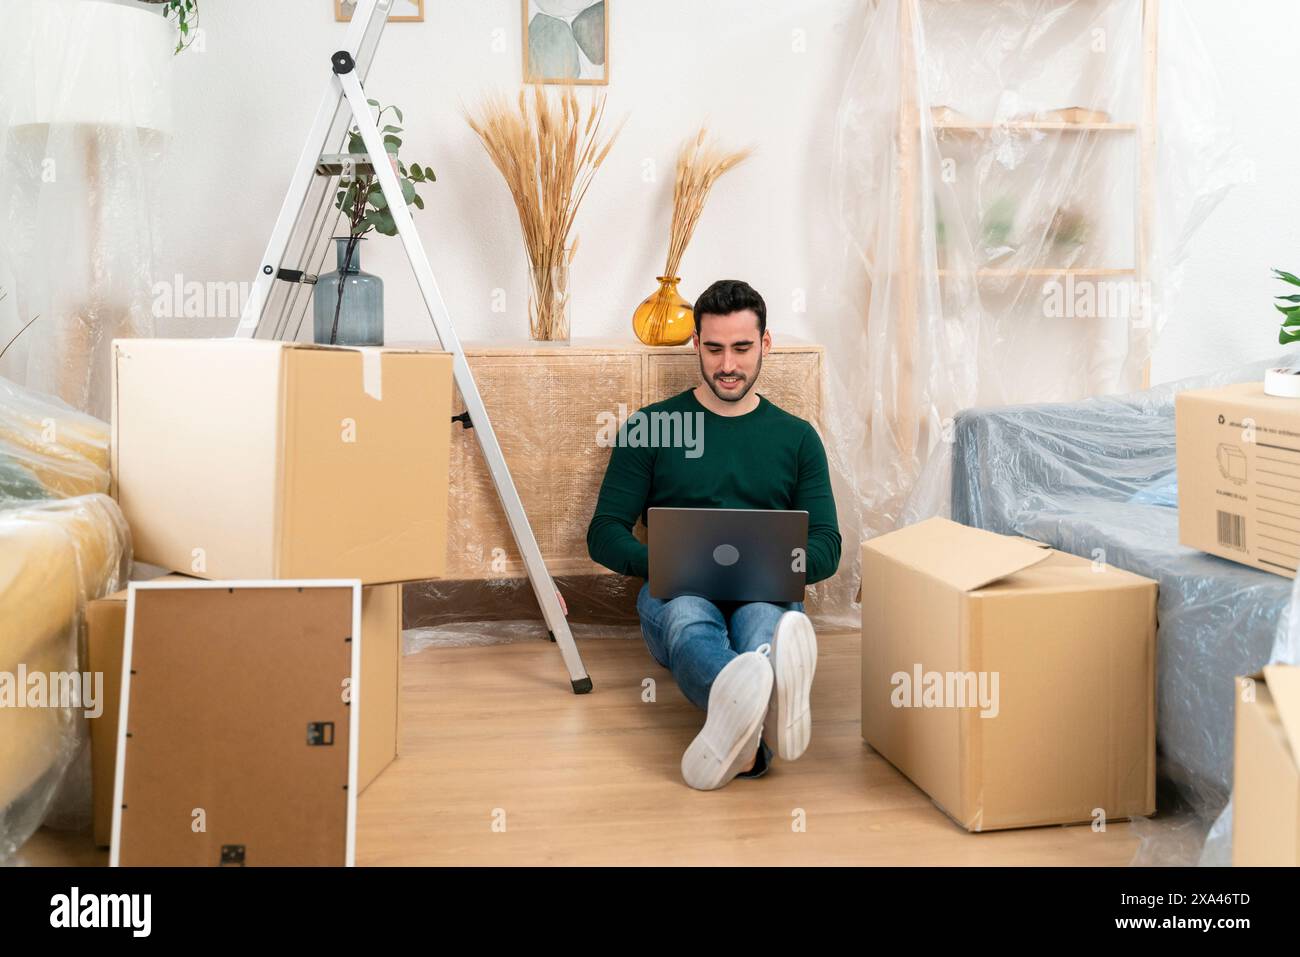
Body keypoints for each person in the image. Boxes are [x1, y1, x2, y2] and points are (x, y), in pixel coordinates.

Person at [587, 279, 841, 789]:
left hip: (765, 590)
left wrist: (772, 567)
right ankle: (770, 704)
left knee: (763, 628)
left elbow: (828, 545)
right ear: (696, 344)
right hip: (677, 588)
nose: (728, 365)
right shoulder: (651, 427)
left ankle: (745, 745)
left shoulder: (796, 438)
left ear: (765, 344)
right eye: (715, 348)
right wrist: (663, 563)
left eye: (743, 348)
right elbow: (604, 533)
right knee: (685, 616)